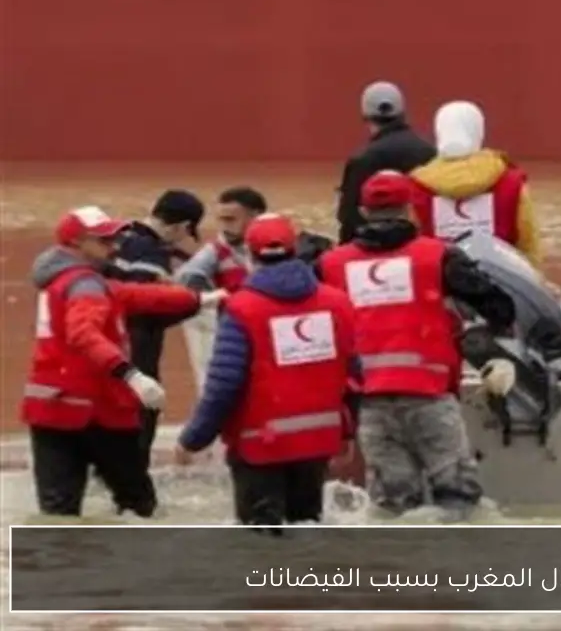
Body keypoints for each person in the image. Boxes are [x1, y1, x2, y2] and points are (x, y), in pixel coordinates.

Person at [318, 170, 519, 518]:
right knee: (458, 500)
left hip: (370, 403)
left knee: (393, 505)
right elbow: (499, 307)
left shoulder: (332, 265)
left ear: (363, 213)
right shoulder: (439, 256)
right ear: (410, 209)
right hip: (429, 397)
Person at [24, 206, 219, 518]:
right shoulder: (86, 285)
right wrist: (132, 376)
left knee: (57, 512)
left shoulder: (64, 282)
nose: (115, 246)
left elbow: (132, 295)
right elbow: (83, 333)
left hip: (51, 411)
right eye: (104, 240)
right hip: (98, 412)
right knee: (138, 507)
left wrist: (199, 299)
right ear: (75, 244)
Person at [174, 213, 360, 528]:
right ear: (294, 249)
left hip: (260, 446)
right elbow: (355, 375)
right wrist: (348, 431)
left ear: (250, 254)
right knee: (307, 534)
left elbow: (224, 384)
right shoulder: (337, 303)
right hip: (316, 442)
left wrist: (193, 439)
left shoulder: (243, 309)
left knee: (260, 544)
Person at [107, 189, 207, 468]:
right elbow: (143, 305)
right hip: (136, 350)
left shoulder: (119, 236)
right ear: (184, 226)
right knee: (140, 420)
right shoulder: (151, 254)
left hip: (103, 349)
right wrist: (193, 304)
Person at [408, 100, 543, 269]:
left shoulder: (416, 187)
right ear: (479, 132)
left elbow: (410, 247)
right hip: (500, 283)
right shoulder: (511, 183)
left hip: (440, 284)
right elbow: (528, 245)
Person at [336, 81, 437, 244]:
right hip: (422, 247)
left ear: (365, 114)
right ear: (402, 111)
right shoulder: (430, 152)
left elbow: (349, 219)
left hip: (375, 250)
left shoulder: (362, 159)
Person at [175, 186, 269, 292]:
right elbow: (186, 276)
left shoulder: (281, 245)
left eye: (230, 219)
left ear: (255, 217)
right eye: (221, 220)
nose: (224, 227)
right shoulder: (216, 250)